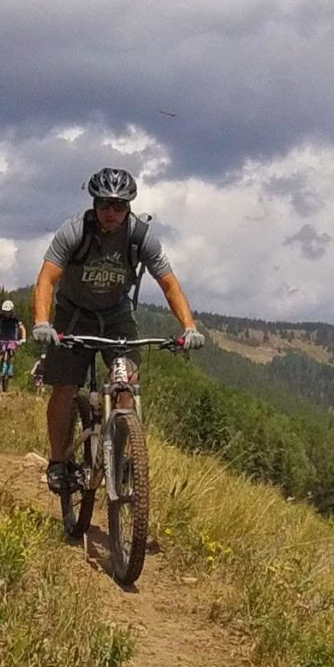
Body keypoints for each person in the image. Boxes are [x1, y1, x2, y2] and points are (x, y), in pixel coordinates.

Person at [31, 167, 203, 493]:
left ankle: (123, 453)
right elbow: (46, 280)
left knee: (126, 382)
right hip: (73, 316)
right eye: (105, 204)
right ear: (95, 204)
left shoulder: (140, 237)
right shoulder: (74, 232)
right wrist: (41, 322)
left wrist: (189, 327)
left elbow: (169, 284)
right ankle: (57, 461)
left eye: (119, 206)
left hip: (116, 318)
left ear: (129, 207)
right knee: (65, 388)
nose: (111, 212)